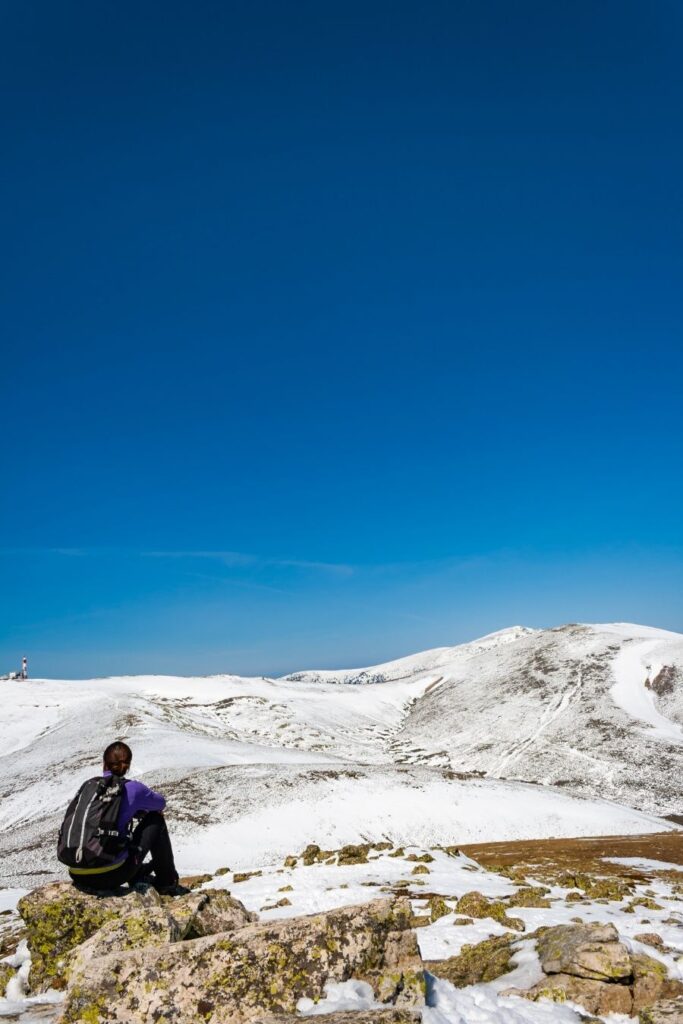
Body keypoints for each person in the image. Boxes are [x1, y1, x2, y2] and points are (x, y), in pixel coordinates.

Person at [67, 741, 188, 896]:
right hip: (111, 876)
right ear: (128, 765)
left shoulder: (89, 786)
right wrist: (138, 809)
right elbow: (160, 804)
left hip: (77, 873)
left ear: (104, 764)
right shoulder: (133, 789)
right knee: (155, 819)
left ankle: (137, 872)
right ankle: (167, 882)